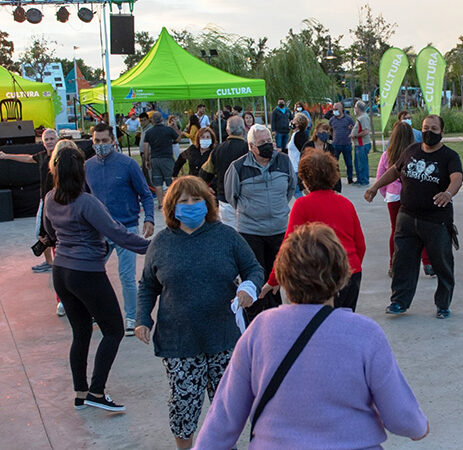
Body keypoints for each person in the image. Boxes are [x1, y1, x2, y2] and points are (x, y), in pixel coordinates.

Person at [194, 223, 428, 448]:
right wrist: (419, 427)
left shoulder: (260, 329)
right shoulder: (365, 334)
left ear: (283, 277)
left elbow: (224, 416)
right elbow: (400, 415)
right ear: (341, 275)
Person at [135, 176, 264, 449]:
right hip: (179, 343)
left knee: (226, 406)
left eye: (197, 200)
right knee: (183, 407)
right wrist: (143, 319)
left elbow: (253, 268)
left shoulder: (226, 236)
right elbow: (147, 285)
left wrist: (249, 289)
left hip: (223, 338)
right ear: (172, 207)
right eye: (183, 201)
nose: (191, 205)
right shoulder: (161, 243)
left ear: (208, 203)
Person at [44, 140, 150, 412]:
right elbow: (117, 233)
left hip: (62, 272)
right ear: (80, 171)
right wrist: (153, 246)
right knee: (113, 330)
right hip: (86, 272)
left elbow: (51, 234)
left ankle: (81, 393)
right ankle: (97, 392)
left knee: (80, 333)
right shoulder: (86, 202)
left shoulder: (49, 199)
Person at [365, 115, 463, 319]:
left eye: (434, 129)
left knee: (442, 264)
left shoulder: (449, 156)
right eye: (426, 128)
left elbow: (457, 178)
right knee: (403, 262)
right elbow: (394, 170)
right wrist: (375, 186)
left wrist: (448, 193)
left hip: (436, 220)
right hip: (407, 217)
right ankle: (399, 302)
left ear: (441, 132)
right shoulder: (411, 150)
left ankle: (443, 305)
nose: (429, 132)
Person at [261, 149, 366, 310]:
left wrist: (273, 280)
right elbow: (360, 245)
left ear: (305, 179)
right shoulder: (346, 203)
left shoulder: (302, 205)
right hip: (351, 271)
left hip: (321, 276)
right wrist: (351, 266)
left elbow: (288, 247)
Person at [84, 123, 154, 336]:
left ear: (113, 140)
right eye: (97, 141)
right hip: (99, 231)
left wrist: (149, 219)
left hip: (127, 228)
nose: (101, 145)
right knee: (90, 273)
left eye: (105, 141)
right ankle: (93, 312)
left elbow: (145, 193)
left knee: (126, 275)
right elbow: (83, 198)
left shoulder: (128, 165)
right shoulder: (87, 167)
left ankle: (131, 316)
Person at [224, 124, 296, 320]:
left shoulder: (283, 161)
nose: (267, 145)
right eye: (262, 143)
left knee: (277, 277)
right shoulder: (238, 167)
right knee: (255, 276)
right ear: (251, 147)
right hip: (251, 231)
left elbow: (291, 188)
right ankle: (256, 317)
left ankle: (276, 316)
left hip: (279, 230)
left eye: (269, 141)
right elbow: (232, 196)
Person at [377, 122, 434, 278]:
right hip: (413, 195)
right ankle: (427, 262)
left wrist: (386, 194)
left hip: (393, 196)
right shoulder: (416, 154)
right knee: (421, 229)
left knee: (396, 231)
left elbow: (380, 177)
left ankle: (393, 264)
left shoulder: (386, 155)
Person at [0, 128, 59, 275]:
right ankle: (49, 262)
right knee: (41, 232)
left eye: (52, 139)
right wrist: (6, 156)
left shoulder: (63, 156)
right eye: (47, 139)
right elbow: (27, 158)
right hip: (45, 202)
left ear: (57, 139)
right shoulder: (41, 157)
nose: (50, 142)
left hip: (61, 201)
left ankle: (62, 262)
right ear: (43, 143)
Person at [199, 116, 248, 229]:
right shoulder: (249, 149)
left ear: (227, 130)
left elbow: (204, 173)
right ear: (244, 129)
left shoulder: (218, 150)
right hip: (246, 199)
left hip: (225, 198)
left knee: (229, 233)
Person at [142, 111, 179, 207]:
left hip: (154, 159)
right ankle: (171, 202)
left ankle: (160, 203)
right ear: (162, 119)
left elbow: (146, 147)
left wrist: (147, 160)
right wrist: (175, 127)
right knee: (170, 181)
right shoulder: (168, 130)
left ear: (152, 121)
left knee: (157, 182)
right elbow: (178, 139)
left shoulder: (149, 132)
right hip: (167, 158)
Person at [301, 121, 342, 193]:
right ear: (316, 133)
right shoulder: (308, 146)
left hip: (327, 181)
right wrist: (303, 186)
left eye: (327, 132)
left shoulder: (330, 147)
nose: (325, 134)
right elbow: (302, 165)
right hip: (312, 180)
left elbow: (335, 167)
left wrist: (337, 187)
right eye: (323, 132)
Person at [329, 102, 355, 184]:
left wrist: (351, 130)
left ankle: (350, 178)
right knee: (334, 163)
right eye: (334, 109)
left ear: (341, 109)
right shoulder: (332, 120)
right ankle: (336, 179)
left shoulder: (348, 119)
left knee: (349, 163)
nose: (334, 111)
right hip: (335, 144)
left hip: (346, 144)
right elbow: (330, 130)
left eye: (336, 109)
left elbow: (354, 128)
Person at [351, 100, 373, 186]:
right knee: (357, 163)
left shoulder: (363, 118)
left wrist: (355, 136)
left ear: (358, 109)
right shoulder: (360, 118)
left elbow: (366, 131)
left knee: (362, 163)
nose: (354, 109)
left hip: (362, 144)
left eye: (355, 107)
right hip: (358, 144)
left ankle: (364, 180)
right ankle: (360, 179)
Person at [287, 112, 309, 180]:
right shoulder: (295, 134)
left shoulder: (299, 135)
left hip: (297, 169)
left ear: (298, 124)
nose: (292, 121)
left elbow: (303, 151)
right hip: (293, 168)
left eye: (294, 120)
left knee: (297, 190)